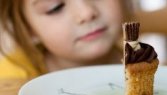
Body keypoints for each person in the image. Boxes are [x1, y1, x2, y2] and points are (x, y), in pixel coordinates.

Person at [0, 0, 132, 79]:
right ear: (27, 28)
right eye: (55, 7)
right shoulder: (7, 79)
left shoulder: (143, 64)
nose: (86, 13)